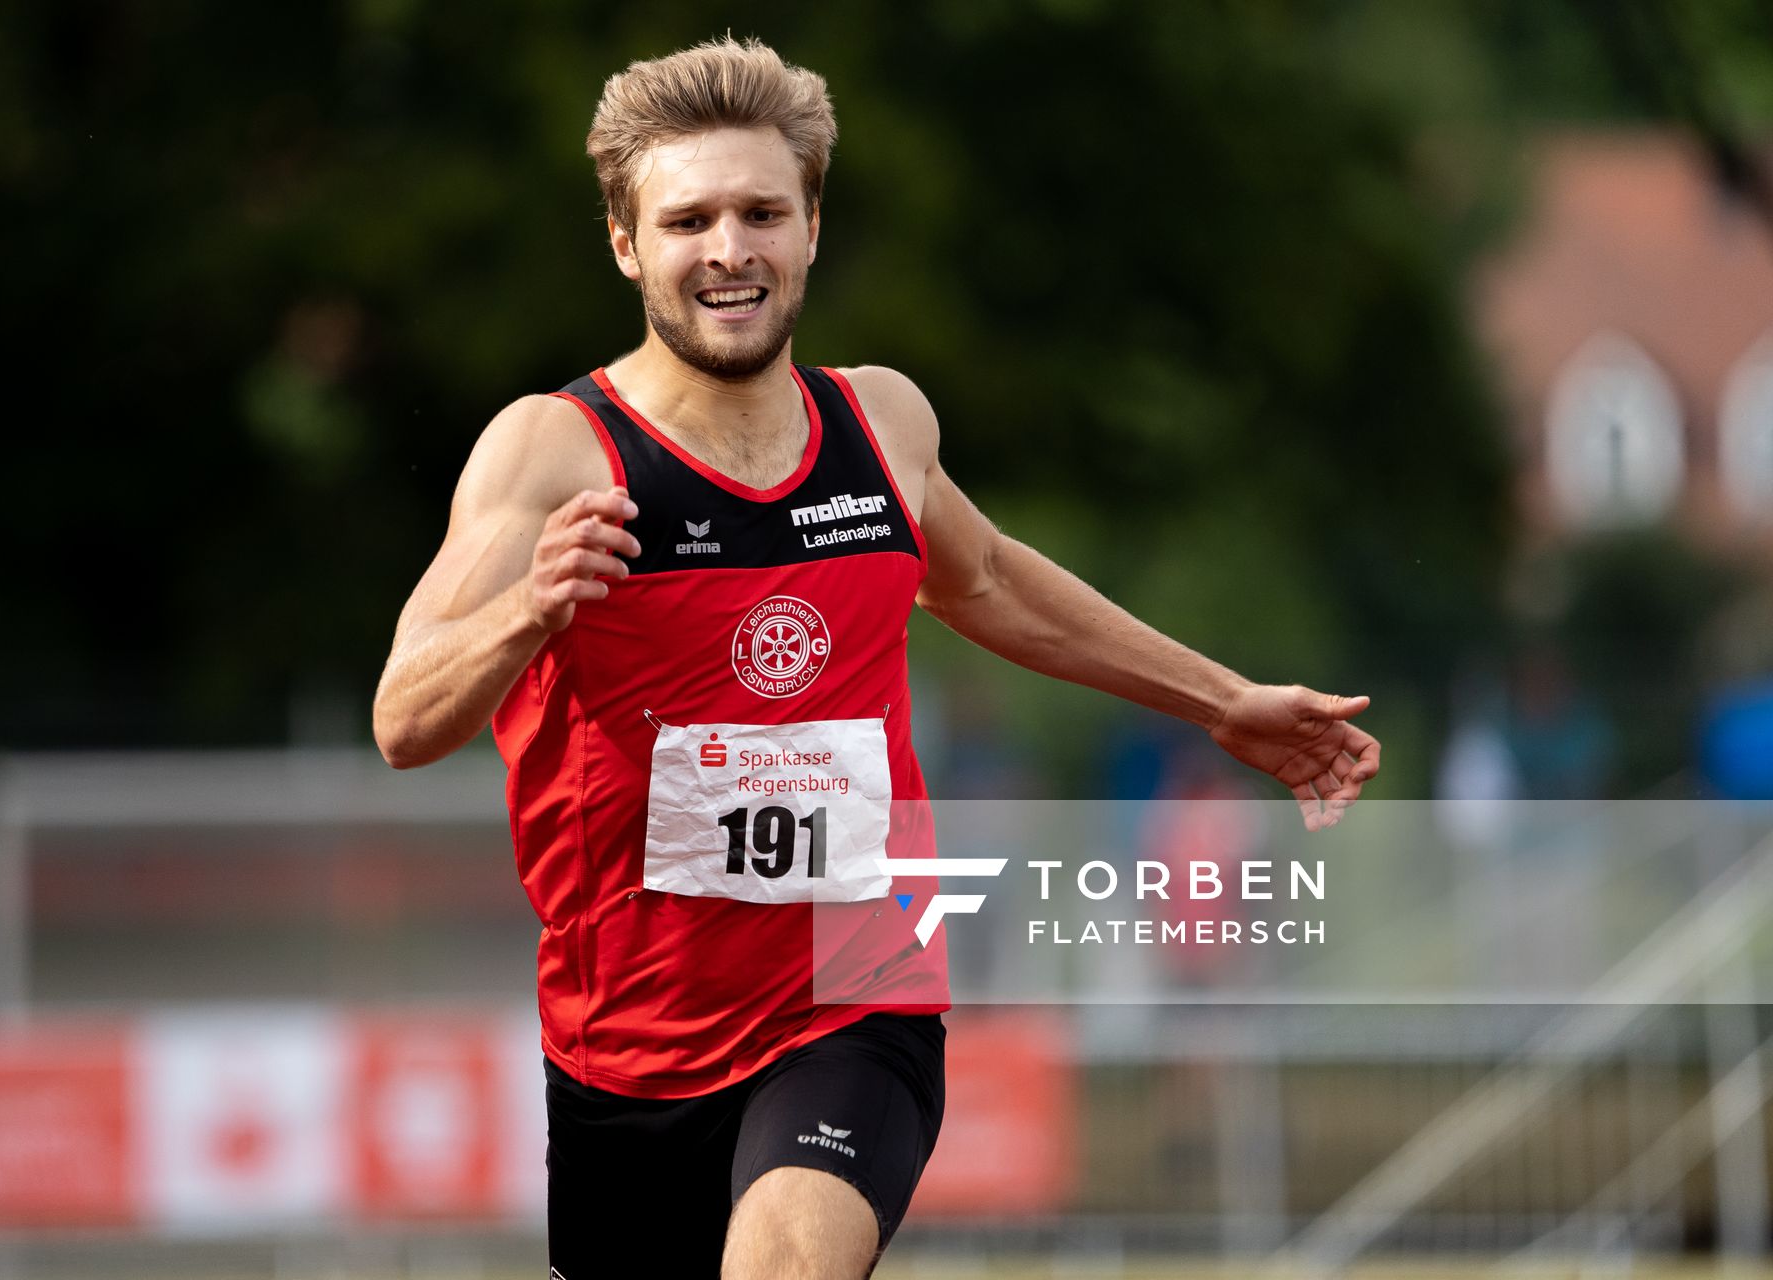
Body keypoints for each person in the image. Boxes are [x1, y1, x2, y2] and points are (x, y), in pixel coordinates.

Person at [372, 35, 1380, 1280]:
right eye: (689, 219)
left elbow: (995, 581)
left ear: (810, 228)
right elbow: (403, 717)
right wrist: (529, 609)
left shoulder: (879, 427)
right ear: (629, 245)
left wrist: (1224, 701)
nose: (729, 249)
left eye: (761, 211)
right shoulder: (555, 453)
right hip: (626, 1044)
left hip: (856, 991)